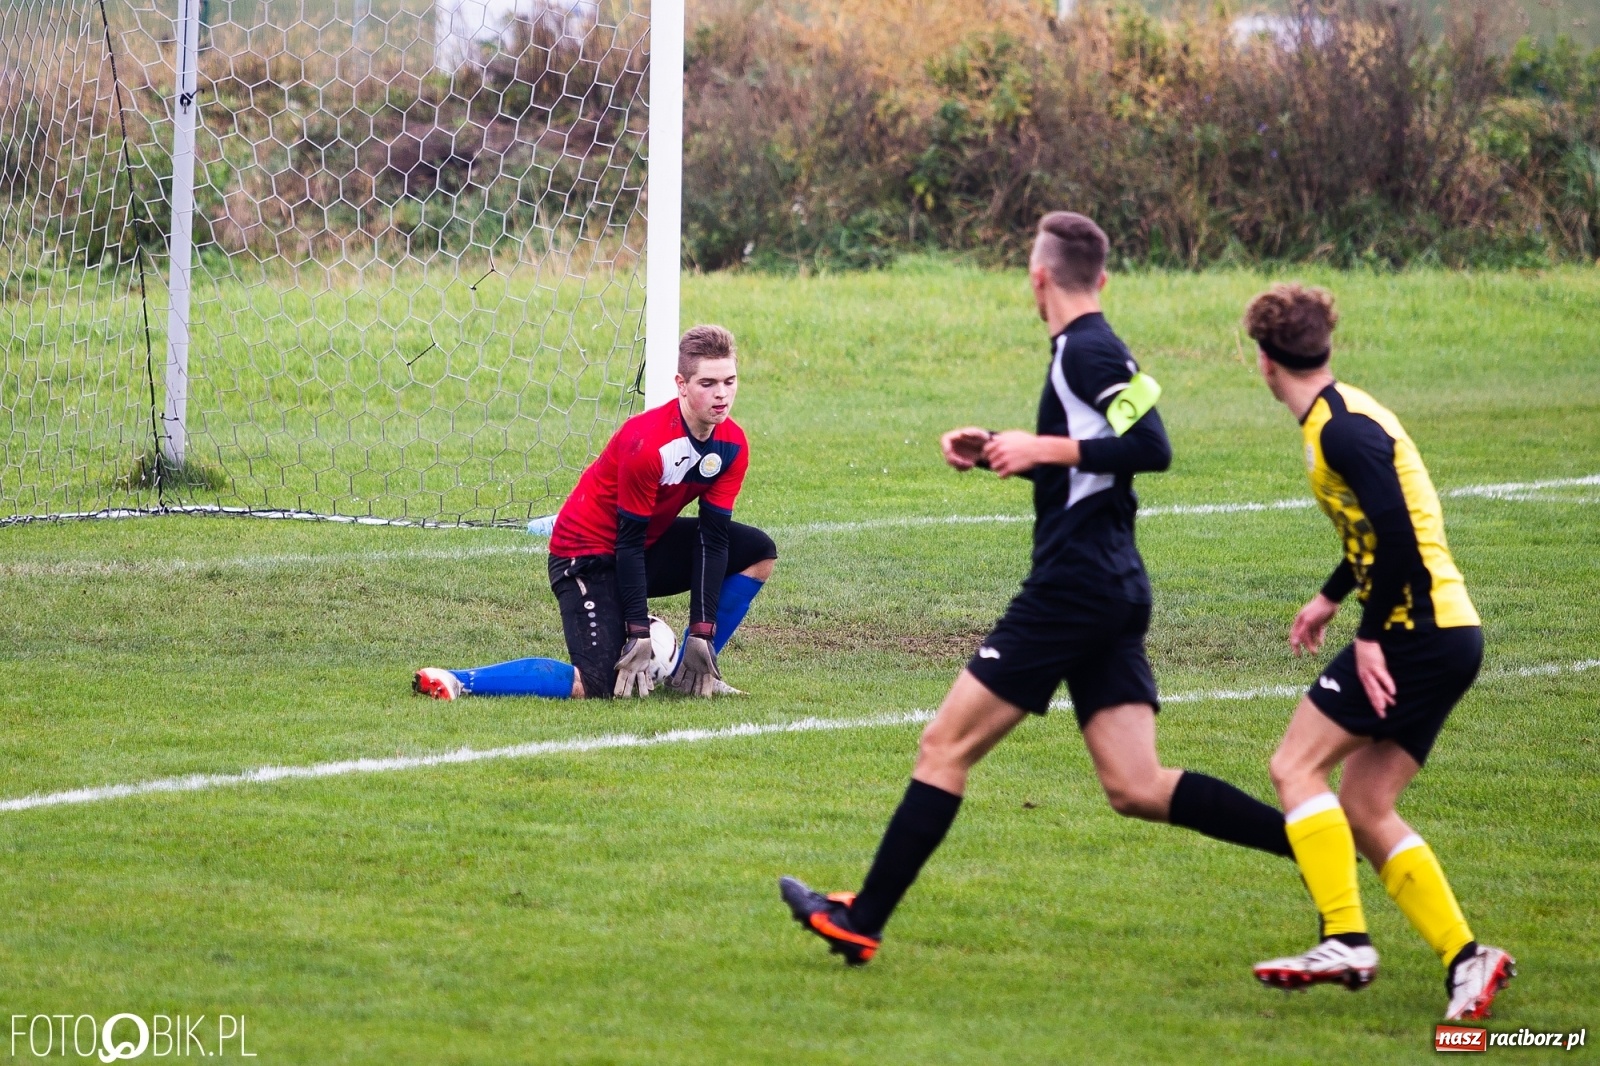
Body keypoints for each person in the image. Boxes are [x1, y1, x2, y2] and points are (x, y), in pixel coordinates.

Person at [778, 212, 1292, 966]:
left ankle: (863, 917)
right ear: (1103, 278)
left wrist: (1042, 445)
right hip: (1110, 584)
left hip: (1073, 588)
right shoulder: (1094, 349)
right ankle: (1315, 843)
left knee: (942, 746)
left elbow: (1152, 448)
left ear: (1039, 277)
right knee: (1137, 785)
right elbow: (1098, 453)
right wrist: (999, 449)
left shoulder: (1086, 350)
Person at [1243, 282, 1513, 1020]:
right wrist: (1332, 595)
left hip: (1415, 633)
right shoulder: (1343, 411)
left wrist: (1368, 637)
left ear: (1263, 361)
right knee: (1364, 802)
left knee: (1294, 766)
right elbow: (1375, 529)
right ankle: (1468, 957)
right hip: (1446, 631)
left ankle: (1345, 937)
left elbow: (1396, 537)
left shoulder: (1342, 431)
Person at [413, 325, 776, 701]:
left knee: (757, 551)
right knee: (597, 684)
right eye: (707, 383)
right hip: (585, 556)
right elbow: (628, 541)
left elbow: (713, 539)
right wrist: (637, 631)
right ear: (681, 384)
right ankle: (458, 679)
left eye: (729, 381)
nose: (721, 394)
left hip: (645, 545)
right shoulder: (647, 442)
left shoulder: (732, 444)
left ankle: (689, 671)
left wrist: (702, 632)